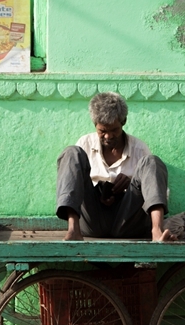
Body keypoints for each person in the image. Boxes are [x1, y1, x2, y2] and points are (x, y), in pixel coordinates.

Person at [57, 92, 177, 242]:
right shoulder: (85, 143)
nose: (108, 136)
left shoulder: (139, 148)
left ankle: (157, 231)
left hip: (129, 222)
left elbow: (160, 192)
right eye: (102, 131)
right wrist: (100, 191)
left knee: (152, 161)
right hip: (92, 220)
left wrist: (131, 184)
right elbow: (73, 181)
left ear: (123, 121)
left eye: (114, 130)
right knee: (71, 153)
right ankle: (73, 230)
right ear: (95, 126)